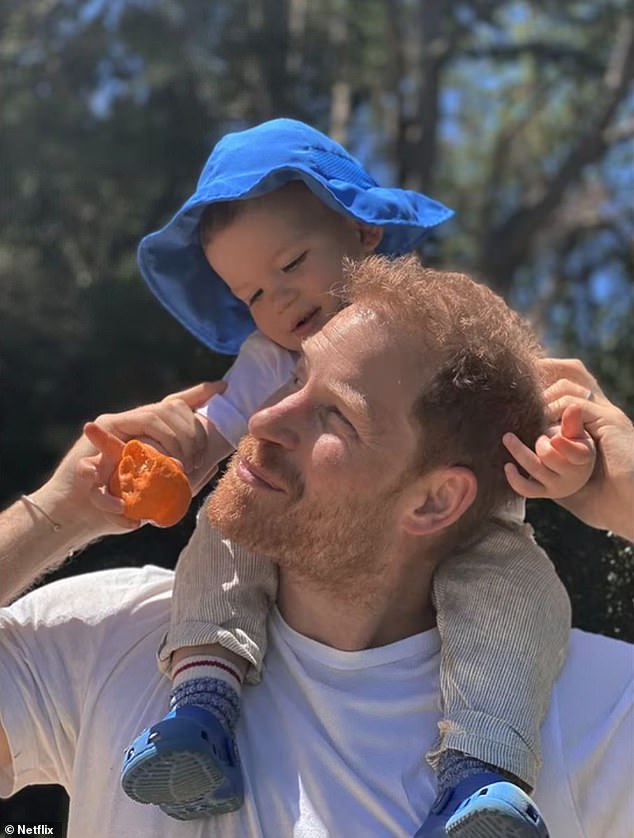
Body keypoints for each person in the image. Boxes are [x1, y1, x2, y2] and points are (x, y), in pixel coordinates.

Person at [0, 260, 632, 838]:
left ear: (435, 501)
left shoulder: (591, 711)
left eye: (335, 415)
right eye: (295, 376)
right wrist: (57, 512)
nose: (266, 420)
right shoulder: (116, 634)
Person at [100, 120, 592, 835]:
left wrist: (566, 465)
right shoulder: (267, 363)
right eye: (253, 295)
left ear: (364, 233)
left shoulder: (433, 324)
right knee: (225, 525)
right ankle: (203, 706)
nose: (277, 303)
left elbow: (521, 412)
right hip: (310, 536)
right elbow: (220, 432)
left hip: (472, 531)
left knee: (519, 588)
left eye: (293, 262)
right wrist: (171, 458)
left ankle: (482, 773)